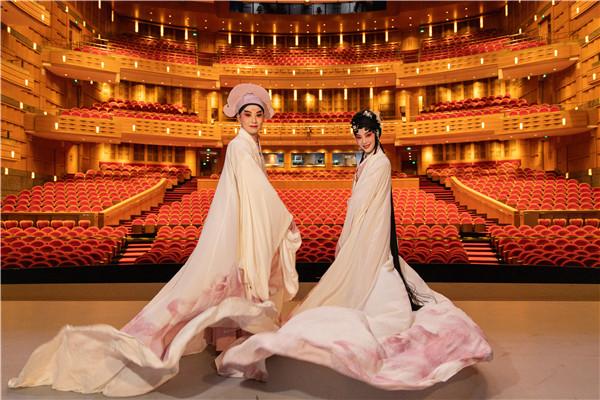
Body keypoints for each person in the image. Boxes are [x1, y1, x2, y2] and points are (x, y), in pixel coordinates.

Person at [8, 83, 301, 397]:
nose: (254, 119)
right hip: (238, 228)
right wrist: (283, 216)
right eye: (248, 114)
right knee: (227, 285)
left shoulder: (250, 145)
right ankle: (231, 350)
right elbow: (257, 191)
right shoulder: (240, 147)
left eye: (258, 114)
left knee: (230, 286)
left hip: (240, 226)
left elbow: (254, 192)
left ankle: (231, 345)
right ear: (238, 117)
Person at [217, 109, 493, 390]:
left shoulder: (380, 163)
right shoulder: (366, 160)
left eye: (368, 134)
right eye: (358, 136)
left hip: (369, 232)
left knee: (371, 285)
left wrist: (350, 239)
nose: (363, 141)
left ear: (378, 133)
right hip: (362, 229)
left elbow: (363, 206)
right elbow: (357, 203)